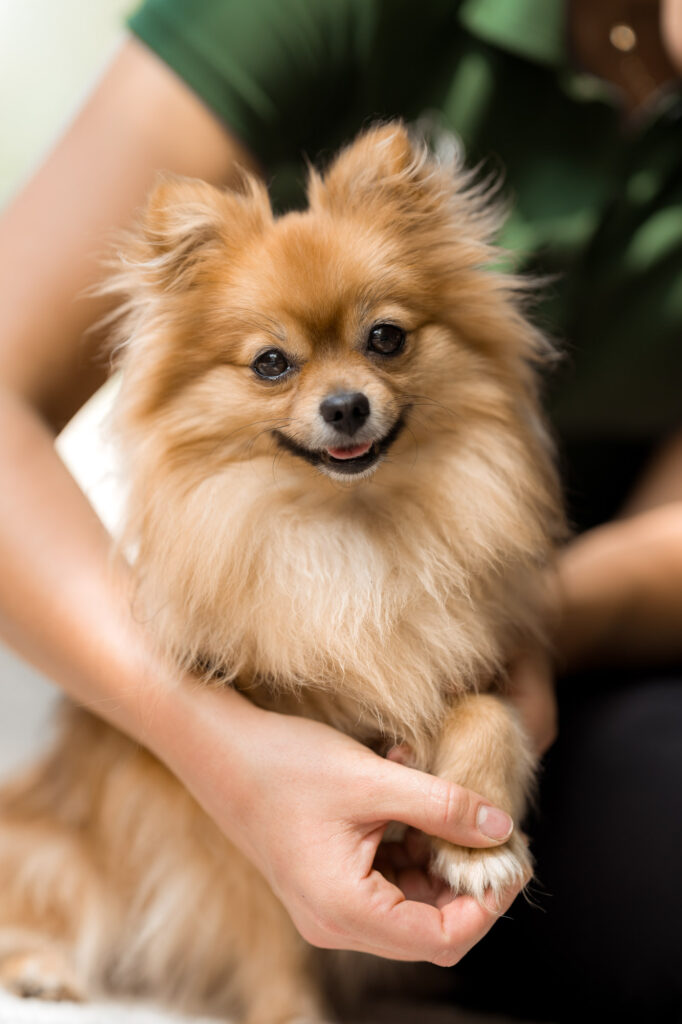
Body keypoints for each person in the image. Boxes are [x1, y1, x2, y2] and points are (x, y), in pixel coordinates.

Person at [0, 0, 680, 1019]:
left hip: (596, 642)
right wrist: (212, 737)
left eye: (386, 339)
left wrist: (519, 635)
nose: (342, 392)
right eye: (274, 365)